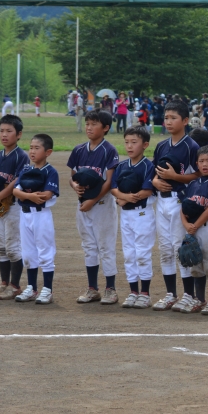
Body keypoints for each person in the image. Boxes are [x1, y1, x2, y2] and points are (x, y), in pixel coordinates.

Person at [150, 99, 202, 311]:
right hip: (161, 201)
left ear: (186, 121)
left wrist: (175, 177)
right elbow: (153, 171)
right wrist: (155, 181)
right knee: (165, 249)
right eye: (166, 118)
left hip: (180, 201)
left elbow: (199, 175)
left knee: (180, 248)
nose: (169, 122)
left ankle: (189, 294)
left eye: (174, 118)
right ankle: (171, 294)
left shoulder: (192, 146)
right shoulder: (162, 145)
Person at [68, 110, 120, 305]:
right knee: (89, 247)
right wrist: (75, 186)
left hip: (102, 205)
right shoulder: (79, 150)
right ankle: (92, 289)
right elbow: (73, 177)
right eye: (87, 123)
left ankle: (110, 289)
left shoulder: (109, 150)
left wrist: (93, 200)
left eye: (94, 124)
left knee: (105, 247)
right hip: (83, 204)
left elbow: (109, 181)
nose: (89, 127)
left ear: (105, 128)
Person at [0, 115, 30, 300]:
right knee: (1, 247)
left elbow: (17, 182)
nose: (4, 134)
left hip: (14, 207)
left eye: (9, 131)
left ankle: (15, 286)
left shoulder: (21, 156)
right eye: (1, 131)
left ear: (18, 134)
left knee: (12, 247)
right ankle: (4, 283)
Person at [111, 126, 157, 308]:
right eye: (127, 142)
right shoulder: (122, 166)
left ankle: (145, 293)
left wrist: (127, 198)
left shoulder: (148, 166)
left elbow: (147, 190)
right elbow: (113, 188)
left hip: (142, 214)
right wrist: (124, 198)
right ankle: (133, 291)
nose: (129, 146)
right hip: (126, 214)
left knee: (142, 253)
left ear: (145, 145)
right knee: (129, 253)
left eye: (134, 142)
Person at [175, 145, 208, 313]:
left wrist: (194, 226)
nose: (204, 164)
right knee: (195, 264)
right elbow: (184, 207)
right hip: (191, 228)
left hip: (207, 227)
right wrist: (186, 225)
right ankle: (200, 299)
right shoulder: (193, 183)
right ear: (196, 164)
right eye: (201, 161)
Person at [12, 134, 59, 305]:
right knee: (28, 253)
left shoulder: (50, 171)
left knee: (45, 251)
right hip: (25, 215)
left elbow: (46, 195)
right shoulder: (26, 170)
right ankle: (31, 288)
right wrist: (30, 196)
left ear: (48, 152)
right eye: (31, 147)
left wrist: (26, 194)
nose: (32, 151)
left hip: (41, 215)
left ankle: (47, 289)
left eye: (37, 148)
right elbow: (15, 191)